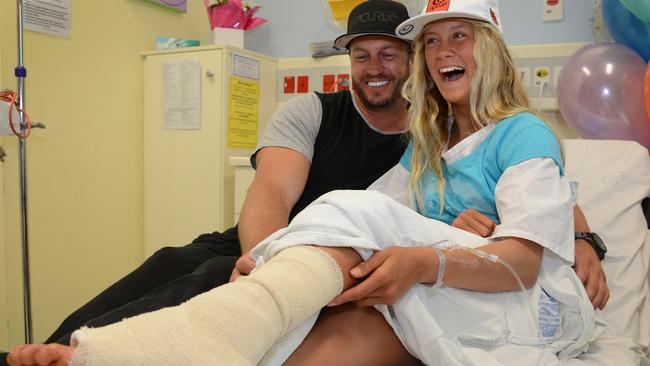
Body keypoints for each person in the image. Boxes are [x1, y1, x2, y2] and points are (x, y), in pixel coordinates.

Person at [7, 0, 605, 365]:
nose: (439, 52)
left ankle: (195, 335)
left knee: (339, 225)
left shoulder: (518, 133)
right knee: (244, 295)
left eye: (459, 36)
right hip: (362, 268)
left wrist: (584, 242)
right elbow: (283, 195)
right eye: (432, 41)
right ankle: (91, 349)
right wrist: (268, 254)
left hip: (504, 294)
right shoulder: (413, 145)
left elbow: (534, 232)